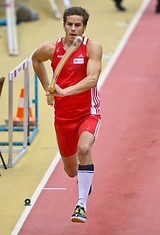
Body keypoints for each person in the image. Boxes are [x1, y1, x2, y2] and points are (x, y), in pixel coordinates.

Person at [32, 6, 102, 223]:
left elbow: (92, 79)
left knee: (84, 148)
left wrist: (65, 91)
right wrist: (47, 88)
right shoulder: (51, 49)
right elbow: (36, 60)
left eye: (77, 25)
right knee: (71, 171)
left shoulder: (92, 47)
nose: (73, 29)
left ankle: (81, 204)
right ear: (63, 25)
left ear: (84, 27)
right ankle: (83, 178)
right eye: (69, 24)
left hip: (88, 113)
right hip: (63, 117)